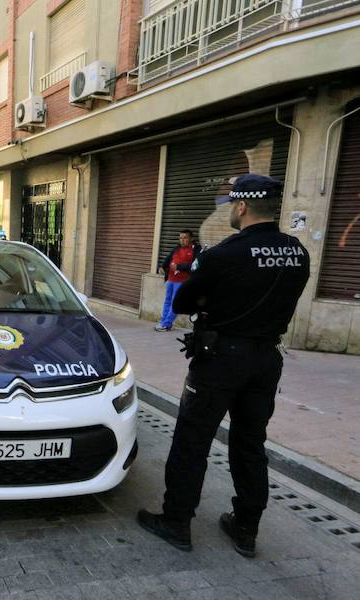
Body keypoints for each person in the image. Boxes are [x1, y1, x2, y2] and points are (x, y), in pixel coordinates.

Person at [138, 174, 310, 558]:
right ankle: (246, 529)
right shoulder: (298, 252)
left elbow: (182, 303)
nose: (231, 210)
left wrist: (212, 304)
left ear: (242, 206)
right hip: (266, 360)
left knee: (192, 440)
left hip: (219, 360)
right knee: (250, 444)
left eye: (231, 204)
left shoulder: (224, 253)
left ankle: (176, 522)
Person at [155, 230, 202, 332]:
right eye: (180, 238)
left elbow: (195, 266)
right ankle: (163, 322)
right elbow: (168, 259)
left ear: (191, 239)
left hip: (182, 281)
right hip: (171, 280)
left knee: (174, 302)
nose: (182, 240)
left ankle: (167, 324)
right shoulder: (176, 248)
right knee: (167, 301)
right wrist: (162, 267)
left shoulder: (196, 250)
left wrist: (179, 267)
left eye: (185, 238)